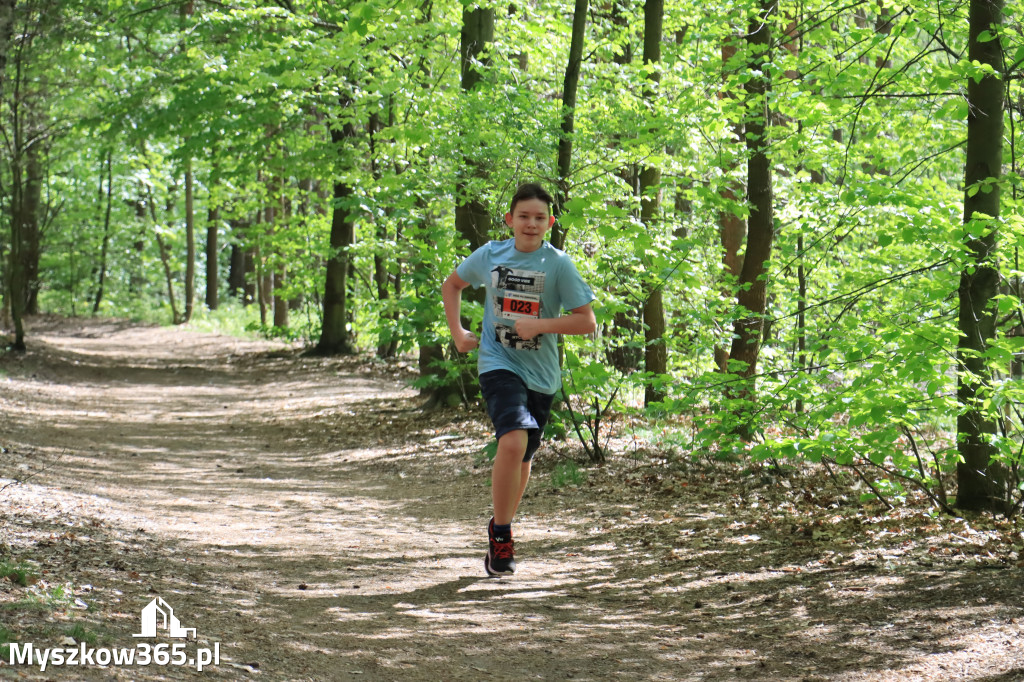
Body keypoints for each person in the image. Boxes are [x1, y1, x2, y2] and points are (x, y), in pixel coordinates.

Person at [441, 183, 596, 576]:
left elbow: (586, 320)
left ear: (550, 223)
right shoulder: (491, 255)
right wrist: (459, 334)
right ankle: (503, 537)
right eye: (523, 216)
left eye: (539, 218)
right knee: (512, 439)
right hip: (497, 362)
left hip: (541, 375)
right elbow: (452, 284)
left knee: (524, 455)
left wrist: (539, 325)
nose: (531, 224)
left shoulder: (558, 264)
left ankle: (499, 524)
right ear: (509, 219)